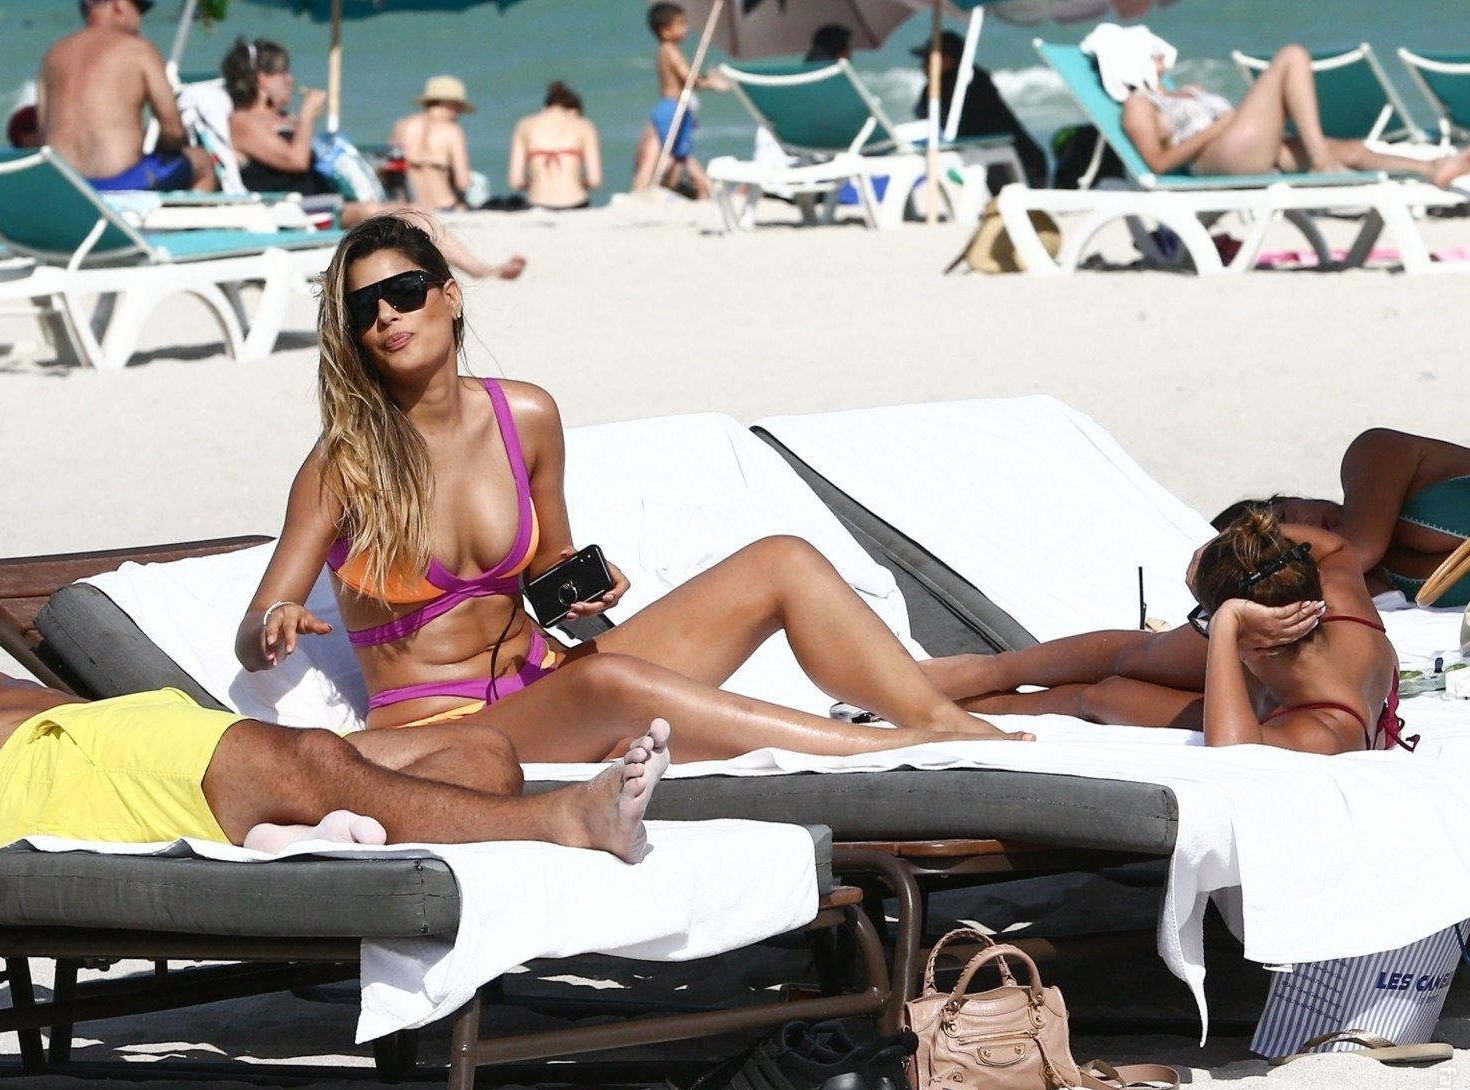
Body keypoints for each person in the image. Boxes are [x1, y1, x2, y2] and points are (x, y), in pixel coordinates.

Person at [236, 215, 1026, 765]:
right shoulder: (345, 465)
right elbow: (253, 627)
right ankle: (891, 750)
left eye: (405, 290)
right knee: (603, 681)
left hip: (547, 681)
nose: (386, 314)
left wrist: (580, 580)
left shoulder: (525, 417)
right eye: (363, 306)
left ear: (450, 295)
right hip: (440, 733)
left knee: (781, 560)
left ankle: (940, 721)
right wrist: (276, 621)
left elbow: (545, 569)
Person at [0, 450, 673, 862]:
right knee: (313, 760)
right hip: (38, 780)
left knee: (481, 753)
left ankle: (297, 834)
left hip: (116, 734)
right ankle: (566, 821)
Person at [924, 511, 1410, 755]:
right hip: (1275, 672)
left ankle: (956, 705)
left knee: (1103, 696)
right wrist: (1228, 548)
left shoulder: (1325, 729)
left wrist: (1224, 624)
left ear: (1252, 641)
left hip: (1274, 700)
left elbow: (1233, 753)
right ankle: (937, 681)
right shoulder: (1343, 607)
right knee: (1132, 656)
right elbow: (1335, 548)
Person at [222, 38, 523, 279]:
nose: (290, 80)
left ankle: (473, 269)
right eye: (283, 73)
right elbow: (296, 162)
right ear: (262, 79)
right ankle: (478, 270)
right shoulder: (243, 122)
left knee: (412, 212)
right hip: (297, 212)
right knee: (402, 214)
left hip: (322, 203)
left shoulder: (280, 118)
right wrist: (308, 116)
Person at [1108, 34, 1470, 189]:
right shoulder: (1138, 106)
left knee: (1351, 150)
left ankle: (1433, 168)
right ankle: (1320, 160)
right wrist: (1218, 128)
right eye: (1152, 52)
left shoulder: (1184, 90)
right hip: (1216, 157)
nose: (1161, 55)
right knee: (1292, 56)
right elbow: (1157, 164)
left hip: (1241, 146)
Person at [1224, 428, 1470, 609]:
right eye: (1282, 543)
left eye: (1284, 516)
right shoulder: (1364, 585)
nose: (1305, 529)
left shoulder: (1369, 453)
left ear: (1288, 497)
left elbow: (1359, 549)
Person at [36, 0, 214, 192]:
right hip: (121, 181)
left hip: (66, 184)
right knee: (202, 162)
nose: (140, 21)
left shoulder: (53, 55)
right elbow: (174, 131)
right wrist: (166, 150)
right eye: (138, 10)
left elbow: (43, 136)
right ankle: (188, 212)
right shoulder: (139, 50)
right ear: (119, 5)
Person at [913, 28, 1046, 191]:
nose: (923, 65)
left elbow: (952, 123)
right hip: (989, 160)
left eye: (928, 59)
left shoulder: (971, 82)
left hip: (1021, 164)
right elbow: (924, 117)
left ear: (948, 59)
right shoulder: (935, 87)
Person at [631, 2, 729, 200]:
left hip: (668, 107)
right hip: (673, 108)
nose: (686, 28)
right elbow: (689, 79)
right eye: (681, 24)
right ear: (665, 30)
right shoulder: (671, 50)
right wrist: (713, 83)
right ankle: (706, 190)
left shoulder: (663, 50)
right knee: (678, 156)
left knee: (667, 157)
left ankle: (641, 193)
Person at [389, 75, 476, 212]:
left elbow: (390, 170)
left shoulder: (402, 126)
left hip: (410, 207)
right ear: (451, 104)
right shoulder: (452, 131)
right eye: (459, 107)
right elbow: (462, 182)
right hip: (444, 205)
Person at [508, 82, 601, 211]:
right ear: (574, 111)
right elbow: (595, 181)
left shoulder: (523, 125)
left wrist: (535, 181)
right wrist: (575, 180)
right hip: (576, 203)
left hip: (537, 203)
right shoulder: (585, 125)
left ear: (544, 108)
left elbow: (515, 182)